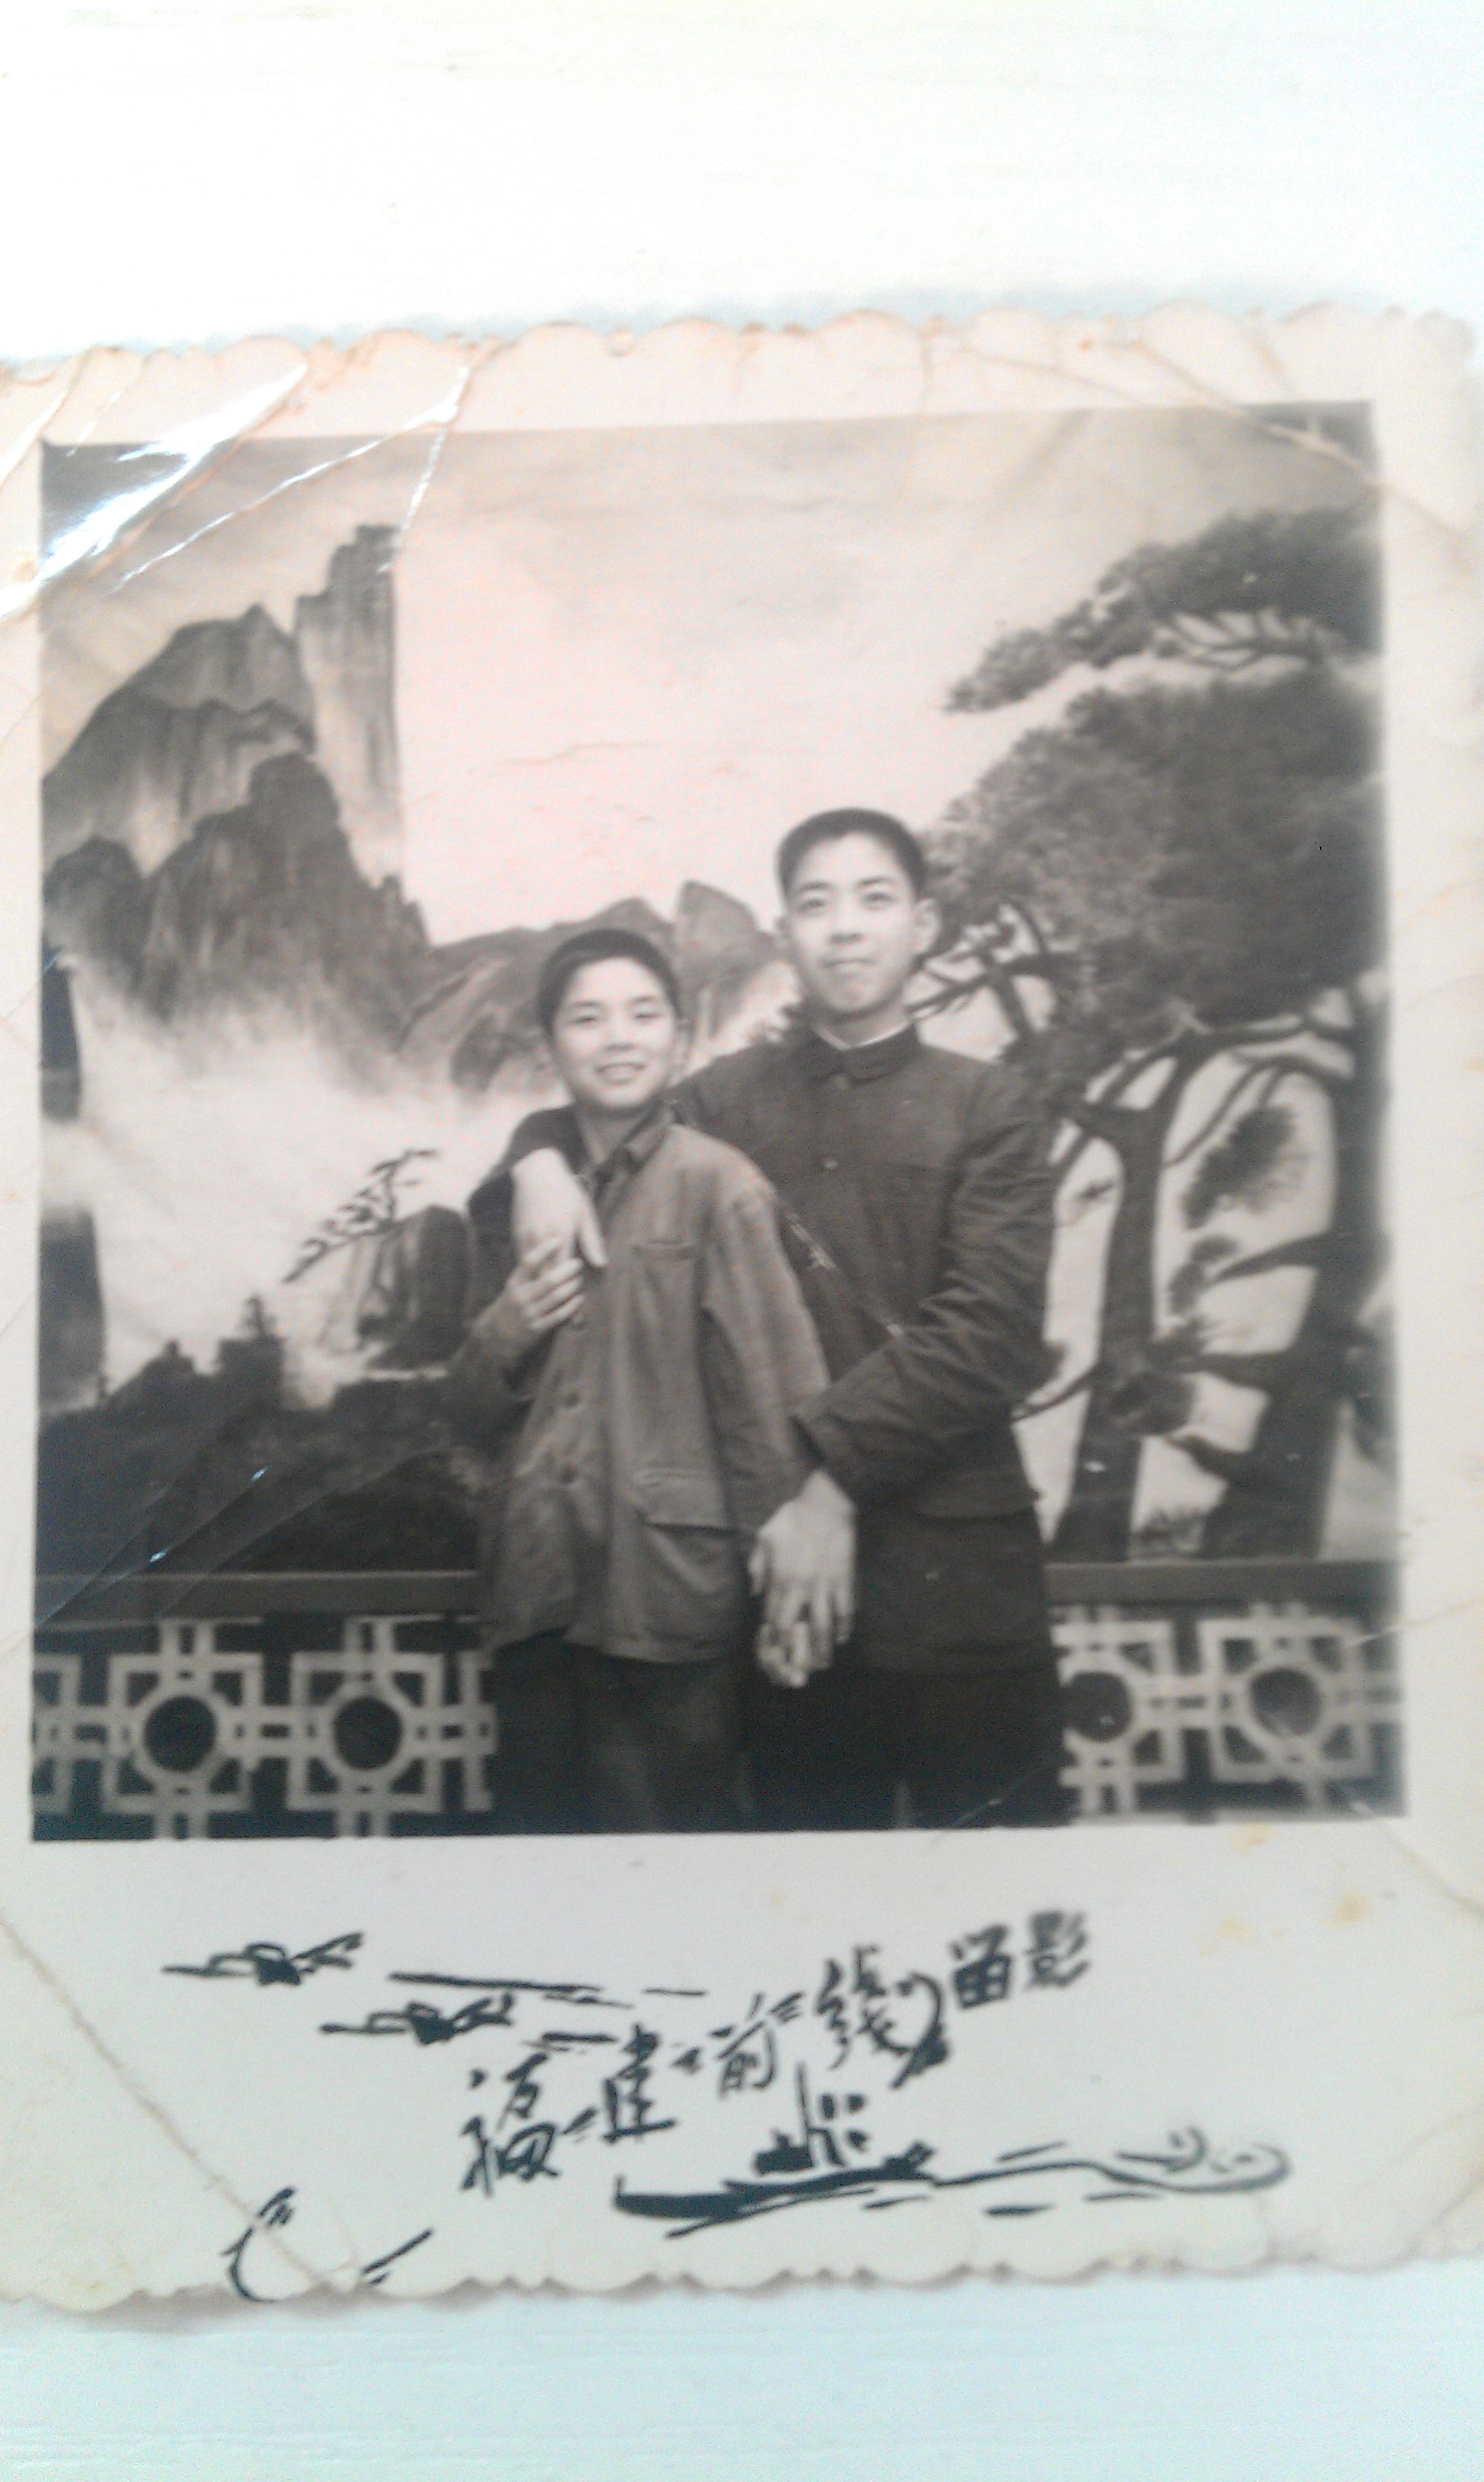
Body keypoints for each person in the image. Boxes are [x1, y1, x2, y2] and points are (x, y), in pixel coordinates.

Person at [505, 811, 1066, 1831]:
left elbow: (989, 1336)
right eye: (816, 904)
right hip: (775, 1596)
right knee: (805, 1894)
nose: (844, 928)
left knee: (1004, 1887)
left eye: (874, 899)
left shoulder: (991, 1106)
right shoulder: (721, 1103)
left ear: (924, 925)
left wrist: (831, 1489)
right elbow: (602, 1105)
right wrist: (535, 1156)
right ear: (784, 934)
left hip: (960, 1586)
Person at [443, 925, 827, 1834]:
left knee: (666, 1857)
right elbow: (461, 1410)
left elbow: (773, 1412)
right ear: (551, 1047)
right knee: (542, 1861)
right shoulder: (512, 1202)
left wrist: (783, 1598)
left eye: (642, 1014)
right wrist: (509, 1324)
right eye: (586, 1018)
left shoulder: (719, 1186)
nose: (617, 1038)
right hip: (535, 1591)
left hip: (669, 1601)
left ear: (679, 1039)